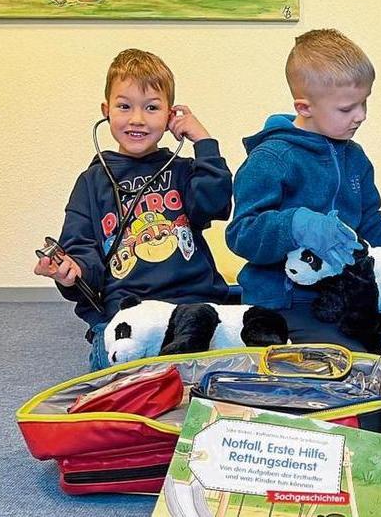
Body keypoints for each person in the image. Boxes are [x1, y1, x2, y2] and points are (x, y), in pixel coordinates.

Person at [33, 49, 235, 370]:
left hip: (193, 300)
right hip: (128, 309)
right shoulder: (91, 182)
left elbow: (216, 204)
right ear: (106, 110)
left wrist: (203, 141)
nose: (137, 119)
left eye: (152, 108)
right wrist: (70, 272)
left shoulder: (182, 170)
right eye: (124, 106)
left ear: (171, 115)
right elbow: (82, 252)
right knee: (120, 384)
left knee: (229, 374)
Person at [227, 29, 381, 352]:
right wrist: (296, 224)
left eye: (364, 103)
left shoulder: (355, 157)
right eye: (347, 109)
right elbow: (241, 233)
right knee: (348, 364)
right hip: (285, 303)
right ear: (304, 108)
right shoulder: (271, 158)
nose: (361, 116)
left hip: (345, 297)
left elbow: (367, 224)